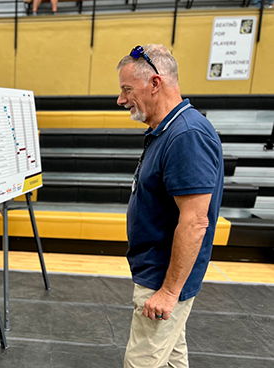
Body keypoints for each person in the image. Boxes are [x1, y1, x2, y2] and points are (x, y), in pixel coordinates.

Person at [116, 44, 223, 367]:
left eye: (126, 89)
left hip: (162, 283)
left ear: (155, 83)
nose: (121, 99)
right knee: (173, 358)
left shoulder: (185, 135)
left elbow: (195, 222)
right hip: (159, 277)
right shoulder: (168, 130)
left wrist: (168, 292)